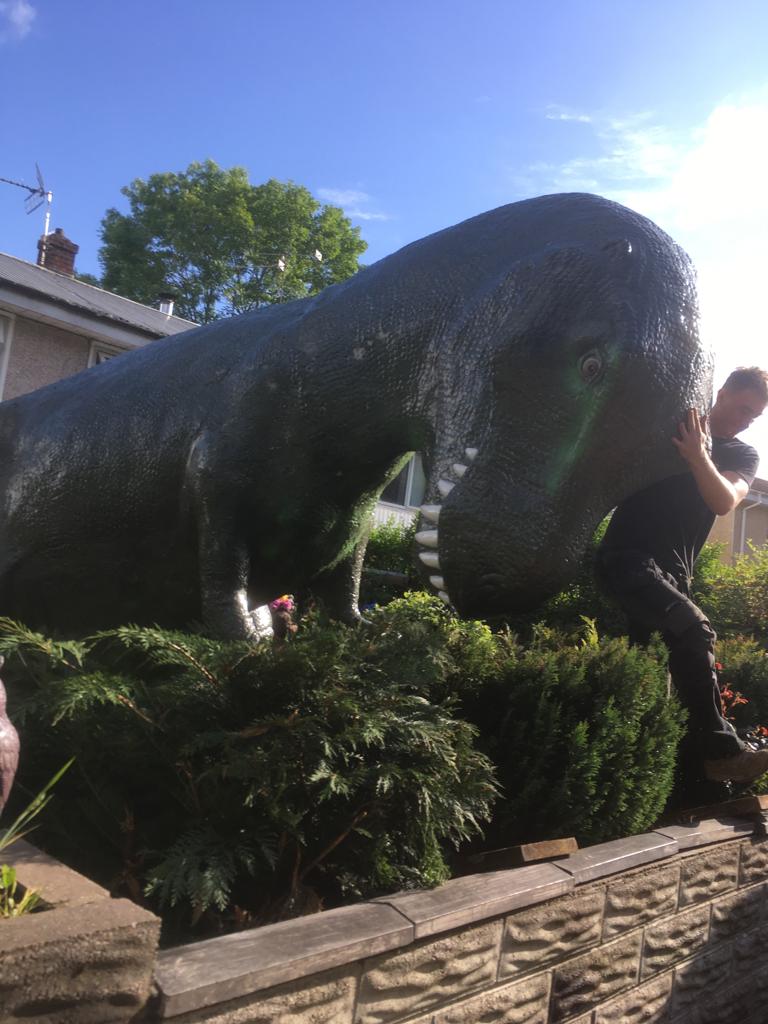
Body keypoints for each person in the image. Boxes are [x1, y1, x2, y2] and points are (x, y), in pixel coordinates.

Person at [596, 367, 768, 789]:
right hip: (627, 559)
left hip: (674, 576)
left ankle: (658, 779)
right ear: (722, 393)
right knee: (696, 631)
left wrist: (698, 456)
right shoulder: (670, 425)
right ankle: (722, 755)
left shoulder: (741, 455)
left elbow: (725, 501)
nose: (746, 420)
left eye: (755, 416)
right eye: (743, 408)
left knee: (653, 678)